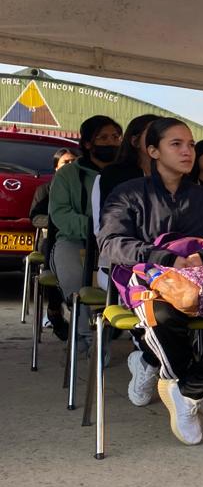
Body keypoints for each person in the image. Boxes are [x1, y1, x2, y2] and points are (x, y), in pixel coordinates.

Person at [97, 118, 203, 445]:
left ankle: (191, 390)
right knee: (162, 316)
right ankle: (193, 382)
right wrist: (166, 258)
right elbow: (110, 243)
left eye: (190, 144)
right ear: (153, 151)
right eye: (176, 144)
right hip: (149, 284)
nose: (187, 151)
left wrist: (202, 258)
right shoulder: (128, 194)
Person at [48, 115, 123, 353]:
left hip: (116, 242)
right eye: (103, 137)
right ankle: (83, 335)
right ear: (88, 143)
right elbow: (60, 214)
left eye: (115, 137)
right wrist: (94, 230)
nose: (111, 142)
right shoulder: (67, 175)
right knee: (74, 278)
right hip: (74, 239)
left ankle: (108, 332)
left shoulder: (125, 174)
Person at [29, 147, 76, 341]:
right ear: (56, 167)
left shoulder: (86, 188)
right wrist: (60, 220)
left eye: (75, 161)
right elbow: (35, 218)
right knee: (53, 251)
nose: (71, 166)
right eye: (66, 162)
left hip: (80, 239)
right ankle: (55, 311)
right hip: (53, 239)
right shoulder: (45, 190)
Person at [92, 113, 162, 230]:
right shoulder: (111, 175)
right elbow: (103, 227)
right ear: (135, 141)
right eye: (153, 133)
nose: (160, 139)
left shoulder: (176, 176)